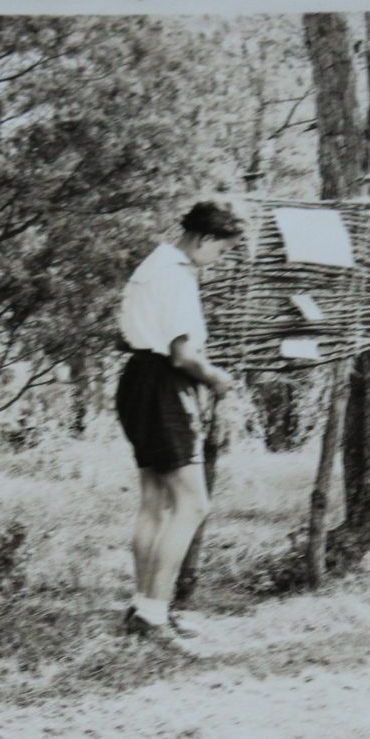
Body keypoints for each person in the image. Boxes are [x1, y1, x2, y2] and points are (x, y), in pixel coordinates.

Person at [115, 199, 246, 640]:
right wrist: (217, 379)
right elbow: (182, 354)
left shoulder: (151, 266)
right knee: (193, 504)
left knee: (155, 501)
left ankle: (143, 608)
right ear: (204, 238)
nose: (219, 259)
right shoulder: (176, 275)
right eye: (222, 250)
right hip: (164, 388)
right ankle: (153, 614)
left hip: (138, 380)